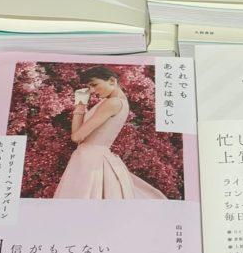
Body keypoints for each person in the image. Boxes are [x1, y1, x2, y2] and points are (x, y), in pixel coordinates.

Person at [53, 67, 167, 199]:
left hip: (91, 159)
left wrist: (80, 106)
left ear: (112, 81)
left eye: (94, 85)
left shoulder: (113, 103)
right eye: (89, 87)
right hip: (92, 157)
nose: (92, 91)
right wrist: (80, 105)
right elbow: (78, 135)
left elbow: (77, 137)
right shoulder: (115, 102)